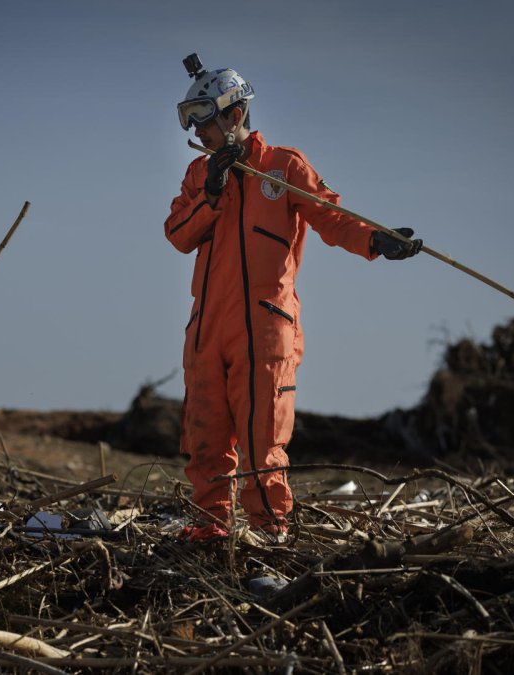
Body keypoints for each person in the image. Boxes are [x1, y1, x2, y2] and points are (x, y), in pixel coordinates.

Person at [164, 55, 422, 543]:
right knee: (205, 437)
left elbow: (333, 217)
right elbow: (177, 233)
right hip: (205, 330)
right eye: (191, 121)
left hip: (265, 328)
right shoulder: (199, 176)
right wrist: (212, 194)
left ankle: (267, 533)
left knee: (265, 438)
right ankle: (211, 529)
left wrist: (376, 239)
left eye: (204, 119)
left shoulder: (283, 167)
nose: (198, 133)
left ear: (234, 114)